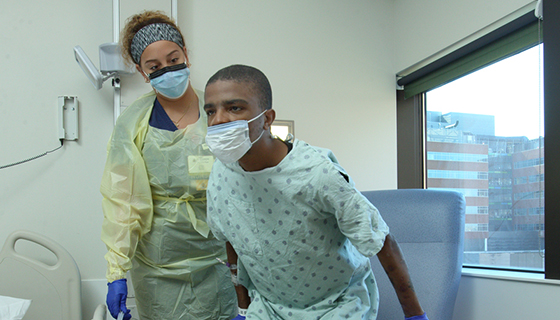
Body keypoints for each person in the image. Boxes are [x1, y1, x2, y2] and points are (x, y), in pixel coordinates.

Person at [203, 64, 429, 320]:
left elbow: (380, 240)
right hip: (269, 307)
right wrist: (243, 309)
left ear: (267, 118)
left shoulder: (318, 172)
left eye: (235, 108)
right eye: (210, 111)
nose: (219, 120)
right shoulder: (221, 175)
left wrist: (414, 316)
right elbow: (232, 240)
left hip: (336, 305)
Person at [100, 11, 239, 320]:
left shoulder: (218, 112)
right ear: (141, 71)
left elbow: (247, 191)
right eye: (154, 67)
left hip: (220, 261)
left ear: (186, 54)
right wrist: (116, 271)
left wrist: (248, 288)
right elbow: (123, 202)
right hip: (158, 266)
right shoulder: (133, 124)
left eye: (173, 58)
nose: (167, 70)